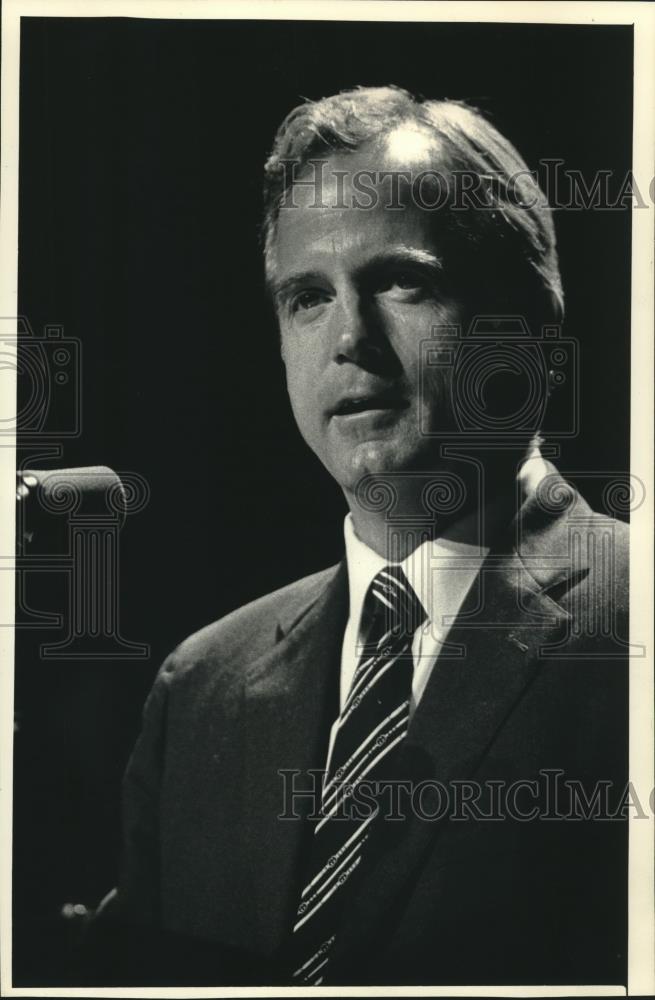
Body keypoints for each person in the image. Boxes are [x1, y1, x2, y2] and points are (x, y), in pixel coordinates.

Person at [89, 87, 629, 987]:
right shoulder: (200, 690)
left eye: (399, 281)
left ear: (530, 324)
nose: (349, 337)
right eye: (306, 297)